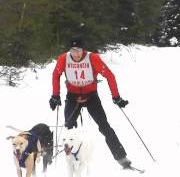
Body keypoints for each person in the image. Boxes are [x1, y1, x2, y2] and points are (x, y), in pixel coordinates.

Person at [49, 37, 131, 168]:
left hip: (91, 97)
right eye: (73, 50)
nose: (75, 54)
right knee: (69, 128)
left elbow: (109, 75)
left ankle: (121, 157)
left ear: (83, 50)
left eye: (78, 50)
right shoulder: (64, 58)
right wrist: (55, 95)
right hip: (73, 97)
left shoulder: (93, 58)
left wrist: (116, 97)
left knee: (104, 127)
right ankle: (70, 160)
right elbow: (55, 75)